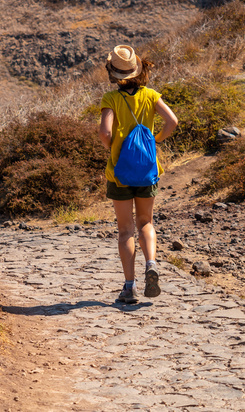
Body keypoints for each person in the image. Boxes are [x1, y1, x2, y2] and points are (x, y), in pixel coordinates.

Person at [98, 45, 178, 304]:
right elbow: (173, 122)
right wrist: (155, 141)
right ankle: (151, 263)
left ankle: (129, 287)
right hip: (147, 170)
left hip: (119, 174)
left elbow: (105, 133)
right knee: (146, 222)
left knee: (125, 230)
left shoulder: (111, 99)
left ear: (113, 74)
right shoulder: (151, 95)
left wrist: (113, 149)